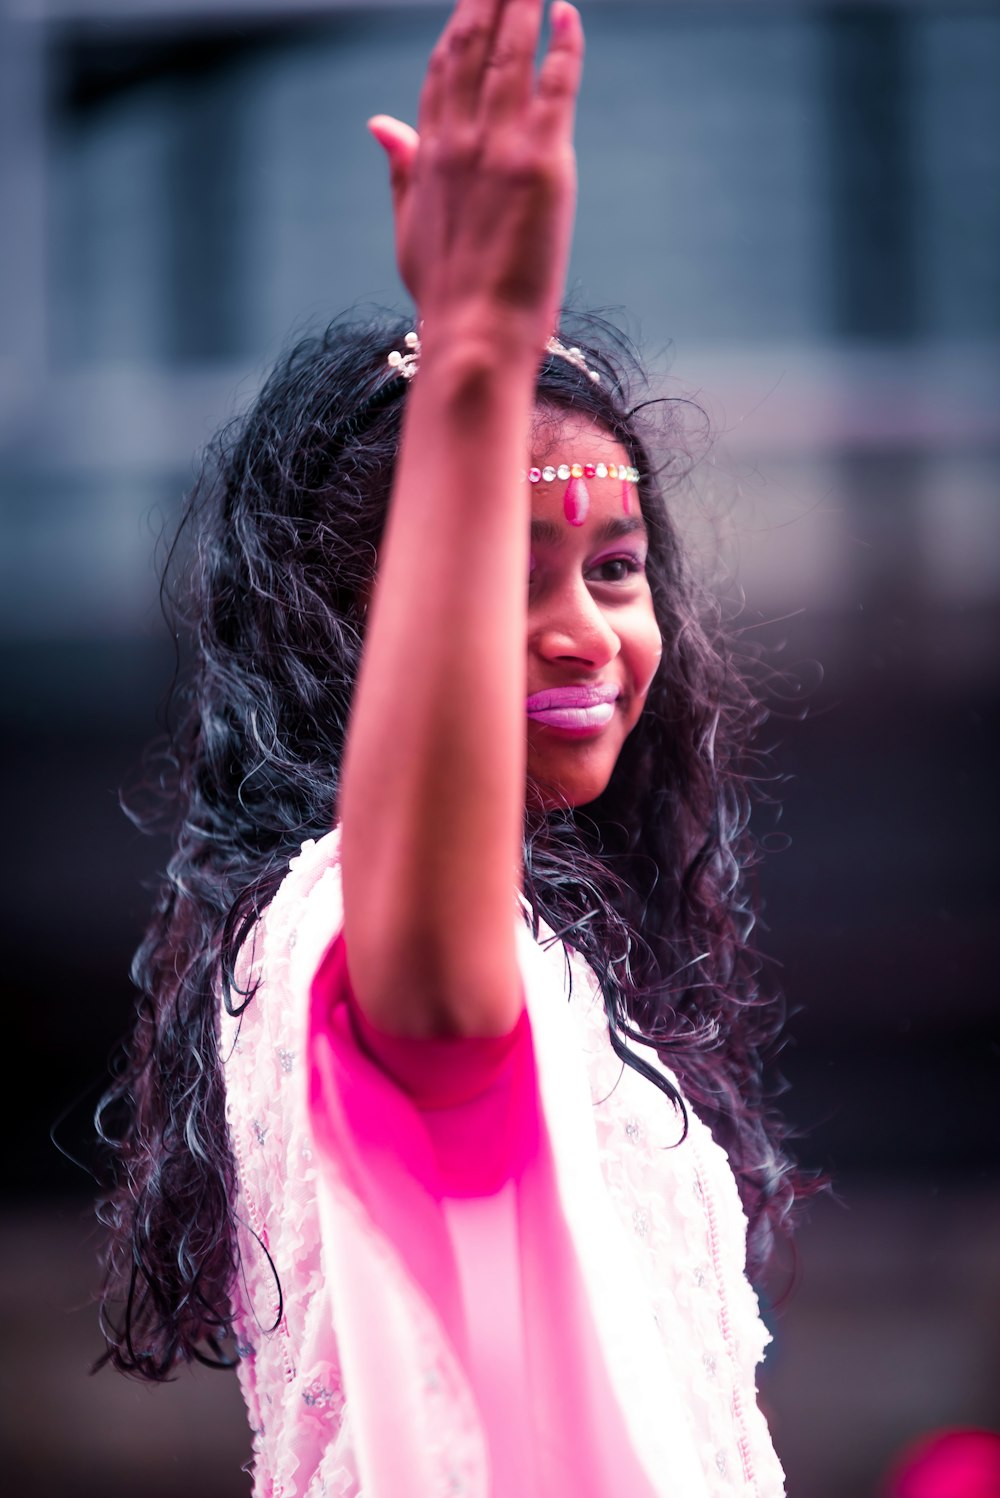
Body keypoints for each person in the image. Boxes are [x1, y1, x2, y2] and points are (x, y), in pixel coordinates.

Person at [95, 1, 817, 1493]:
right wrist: (480, 357)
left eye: (614, 569)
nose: (579, 630)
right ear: (365, 628)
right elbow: (427, 991)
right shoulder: (355, 916)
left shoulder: (551, 954)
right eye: (500, 572)